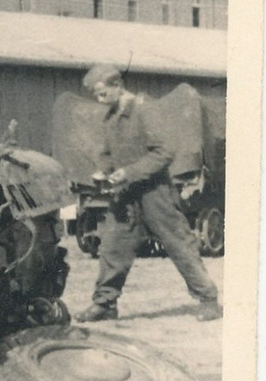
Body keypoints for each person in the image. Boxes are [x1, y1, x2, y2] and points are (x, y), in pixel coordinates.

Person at [74, 64, 221, 322]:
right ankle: (105, 303)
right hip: (125, 194)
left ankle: (208, 298)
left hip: (155, 193)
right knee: (113, 246)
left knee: (179, 244)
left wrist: (128, 172)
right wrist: (103, 171)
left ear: (117, 86)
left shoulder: (144, 109)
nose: (99, 100)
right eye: (95, 95)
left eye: (102, 93)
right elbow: (108, 154)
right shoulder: (110, 117)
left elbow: (164, 152)